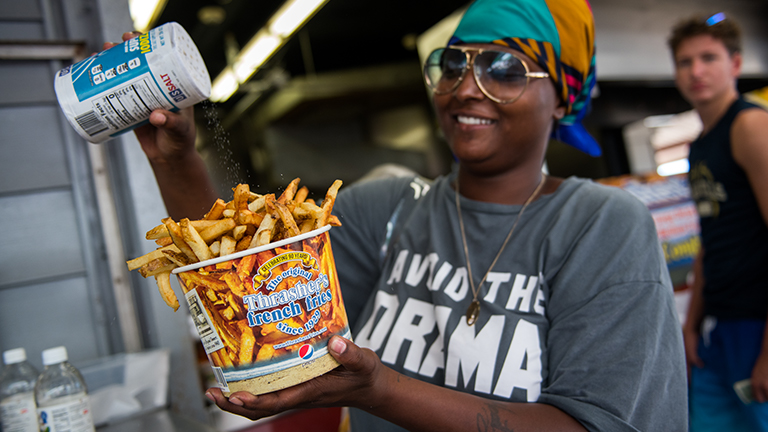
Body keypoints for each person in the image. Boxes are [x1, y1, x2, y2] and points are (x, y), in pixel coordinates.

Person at [115, 0, 688, 430]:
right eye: (452, 65)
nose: (467, 87)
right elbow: (241, 282)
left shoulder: (600, 225)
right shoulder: (383, 210)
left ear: (562, 95)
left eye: (504, 69)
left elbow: (595, 425)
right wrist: (176, 159)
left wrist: (380, 390)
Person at [668, 12, 768, 432]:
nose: (696, 71)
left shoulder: (750, 125)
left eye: (708, 58)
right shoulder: (701, 145)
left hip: (758, 325)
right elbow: (712, 237)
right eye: (685, 62)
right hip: (719, 326)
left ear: (736, 64)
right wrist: (690, 326)